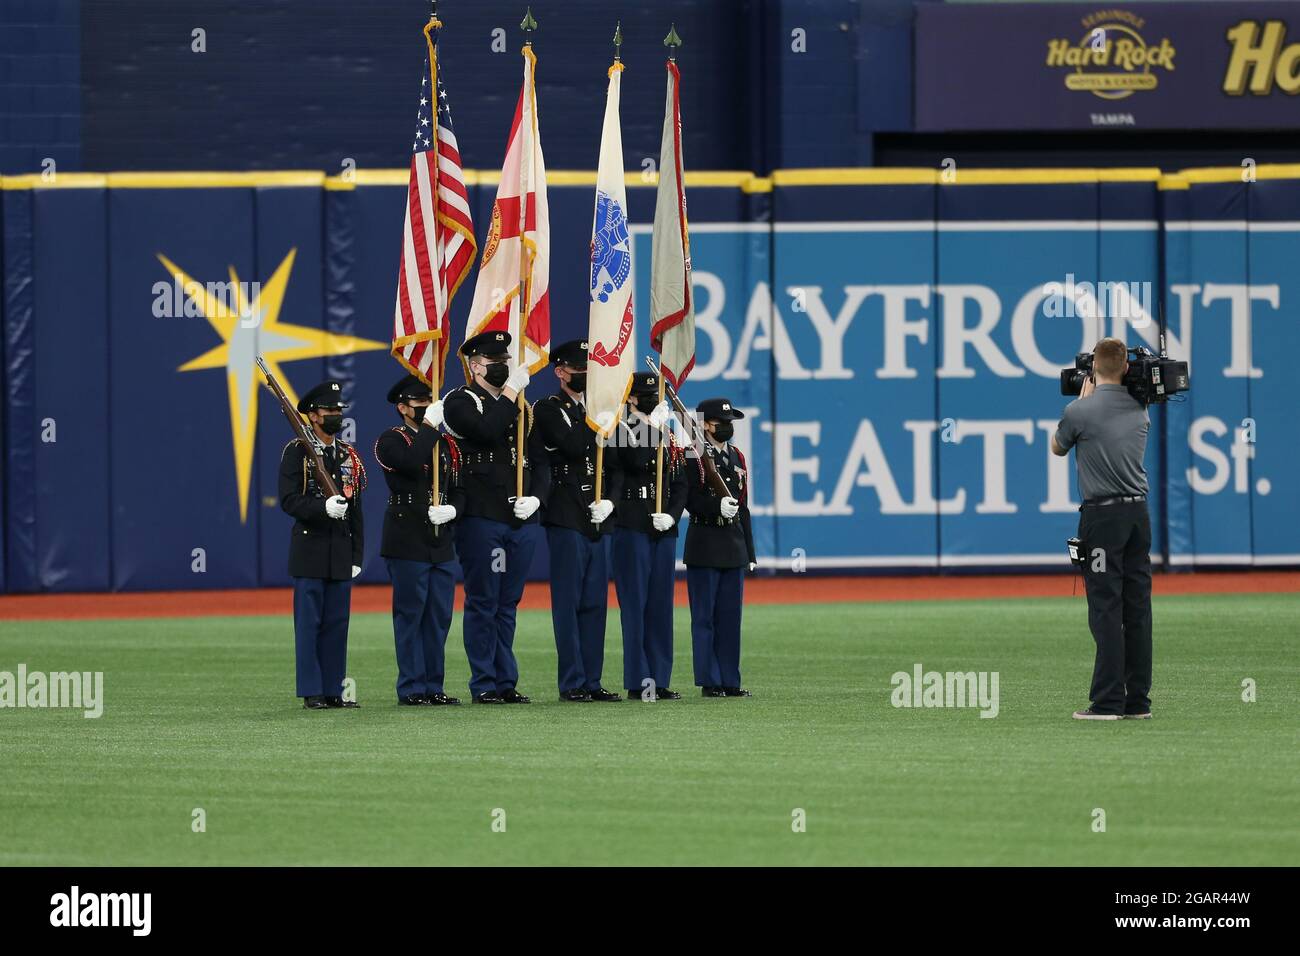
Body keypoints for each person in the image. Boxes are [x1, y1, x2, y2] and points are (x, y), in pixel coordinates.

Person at [442, 331, 547, 704]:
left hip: (520, 517)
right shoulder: (460, 401)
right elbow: (485, 431)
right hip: (482, 516)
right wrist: (511, 392)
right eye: (494, 362)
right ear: (474, 365)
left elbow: (540, 460)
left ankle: (506, 681)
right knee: (484, 600)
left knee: (508, 602)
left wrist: (536, 497)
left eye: (506, 362)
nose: (503, 367)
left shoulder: (522, 408)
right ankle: (484, 681)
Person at [1052, 337, 1153, 721]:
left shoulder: (1080, 411)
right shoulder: (1141, 408)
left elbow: (1057, 447)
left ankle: (1108, 702)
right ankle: (1138, 701)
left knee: (1105, 608)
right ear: (1127, 367)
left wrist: (1082, 398)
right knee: (1138, 607)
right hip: (1138, 516)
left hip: (1102, 517)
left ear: (1093, 367)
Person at [533, 339, 623, 702]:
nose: (587, 374)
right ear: (561, 372)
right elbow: (570, 445)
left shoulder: (602, 409)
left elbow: (617, 466)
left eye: (591, 368)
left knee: (595, 602)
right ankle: (571, 681)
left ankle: (592, 680)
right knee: (568, 601)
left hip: (598, 513)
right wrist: (593, 423)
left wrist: (612, 502)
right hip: (566, 511)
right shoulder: (548, 408)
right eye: (580, 369)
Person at [374, 373, 465, 707]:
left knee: (438, 616)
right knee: (411, 614)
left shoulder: (446, 444)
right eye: (419, 403)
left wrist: (453, 508)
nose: (426, 406)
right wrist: (429, 427)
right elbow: (412, 465)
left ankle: (433, 686)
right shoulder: (391, 439)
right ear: (402, 407)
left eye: (429, 401)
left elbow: (459, 487)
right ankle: (411, 687)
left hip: (439, 540)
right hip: (407, 538)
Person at [277, 380, 366, 710]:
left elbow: (356, 509)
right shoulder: (297, 452)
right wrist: (320, 508)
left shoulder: (347, 455)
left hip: (340, 551)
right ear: (312, 415)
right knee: (309, 624)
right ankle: (312, 691)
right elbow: (288, 501)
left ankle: (334, 689)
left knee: (337, 624)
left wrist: (357, 554)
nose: (335, 416)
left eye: (338, 411)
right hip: (310, 549)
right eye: (329, 411)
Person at [611, 372, 688, 701]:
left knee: (660, 604)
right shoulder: (619, 427)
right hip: (632, 521)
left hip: (663, 524)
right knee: (635, 603)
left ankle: (660, 677)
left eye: (657, 394)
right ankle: (638, 680)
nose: (654, 400)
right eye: (646, 394)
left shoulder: (669, 433)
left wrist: (672, 514)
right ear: (631, 398)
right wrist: (651, 429)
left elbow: (681, 479)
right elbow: (635, 459)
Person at [684, 398, 756, 699]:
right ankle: (710, 680)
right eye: (720, 422)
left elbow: (744, 507)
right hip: (706, 542)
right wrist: (716, 506)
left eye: (729, 422)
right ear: (704, 424)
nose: (726, 427)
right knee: (705, 618)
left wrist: (750, 552)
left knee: (730, 619)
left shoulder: (737, 456)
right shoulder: (694, 456)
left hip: (733, 546)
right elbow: (690, 499)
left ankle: (730, 679)